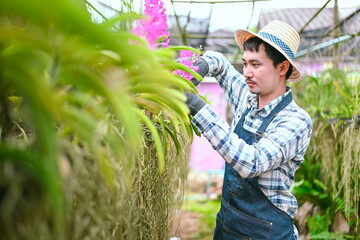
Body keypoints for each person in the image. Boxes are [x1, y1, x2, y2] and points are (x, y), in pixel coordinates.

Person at [184, 20, 313, 239]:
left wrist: (196, 106)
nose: (246, 72)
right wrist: (197, 69)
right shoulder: (247, 98)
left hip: (266, 232)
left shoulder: (296, 121)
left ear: (282, 67)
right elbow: (221, 63)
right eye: (245, 64)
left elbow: (251, 162)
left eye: (256, 64)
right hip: (227, 225)